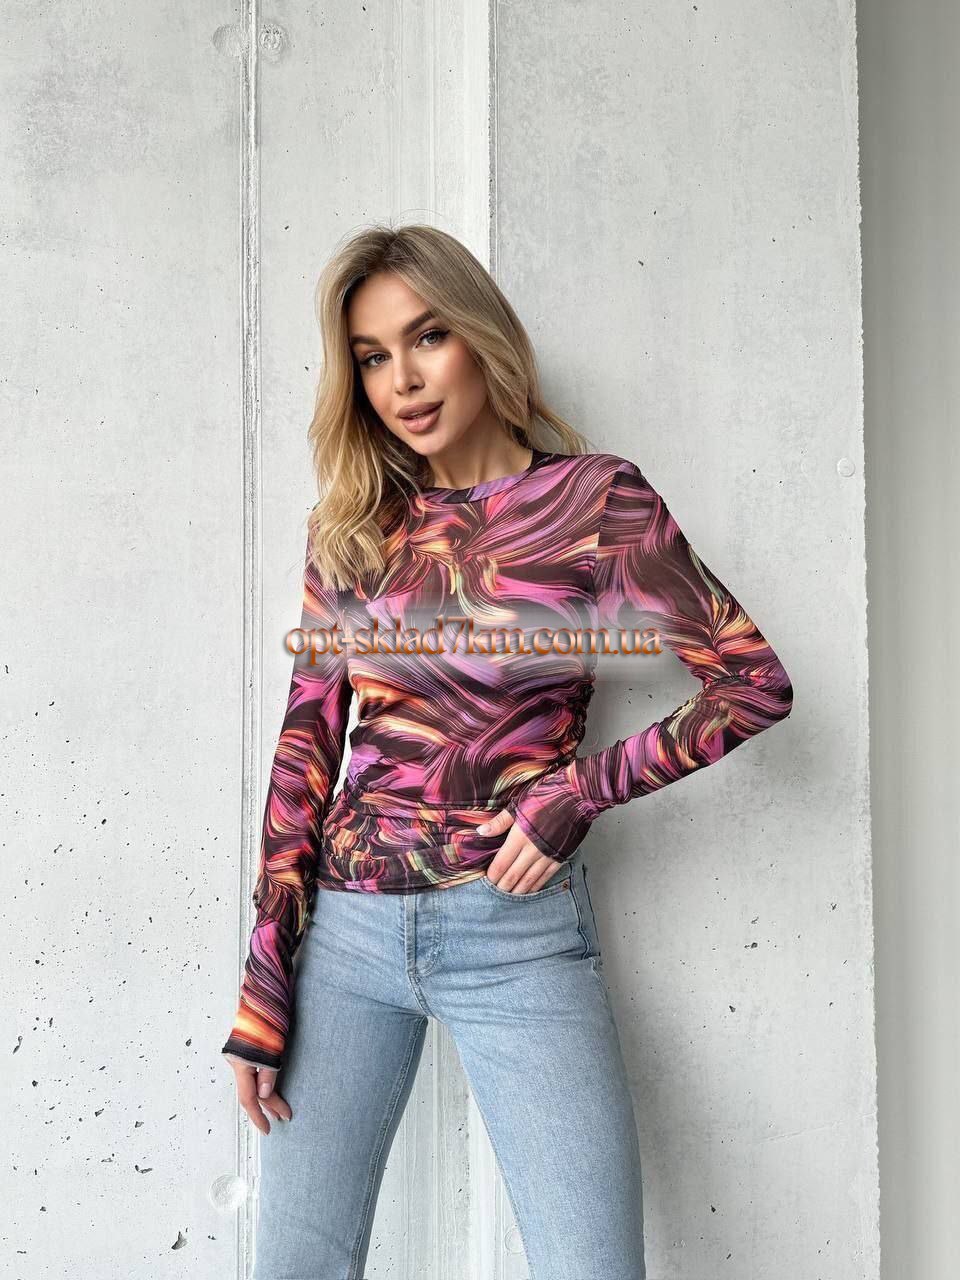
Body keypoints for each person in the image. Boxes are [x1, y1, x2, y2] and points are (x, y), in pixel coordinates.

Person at [221, 223, 794, 1280]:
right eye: (371, 355)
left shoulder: (597, 502)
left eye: (426, 336)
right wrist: (265, 978)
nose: (402, 380)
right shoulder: (354, 526)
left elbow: (751, 683)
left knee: (591, 1266)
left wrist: (577, 792)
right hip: (344, 937)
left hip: (516, 932)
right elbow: (306, 747)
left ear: (480, 335)